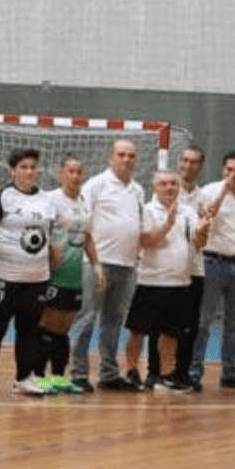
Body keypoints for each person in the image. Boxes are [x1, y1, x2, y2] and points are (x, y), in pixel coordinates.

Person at [0, 148, 55, 396]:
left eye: (32, 167)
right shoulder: (2, 197)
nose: (29, 172)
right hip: (2, 275)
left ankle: (24, 378)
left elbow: (49, 234)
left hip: (36, 277)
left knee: (29, 328)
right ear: (13, 170)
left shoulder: (47, 200)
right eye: (23, 167)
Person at [122, 169, 209, 389]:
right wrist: (168, 224)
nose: (169, 187)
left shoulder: (188, 211)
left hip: (180, 282)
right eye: (163, 184)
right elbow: (146, 241)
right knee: (138, 330)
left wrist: (203, 230)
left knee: (171, 333)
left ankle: (165, 375)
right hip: (151, 281)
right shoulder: (147, 210)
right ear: (155, 188)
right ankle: (131, 371)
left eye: (173, 183)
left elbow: (199, 244)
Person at [69, 139, 144, 391]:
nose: (126, 159)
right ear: (111, 156)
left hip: (126, 266)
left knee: (113, 322)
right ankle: (77, 373)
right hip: (97, 266)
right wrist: (95, 262)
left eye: (131, 155)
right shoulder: (96, 185)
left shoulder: (138, 190)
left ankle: (109, 374)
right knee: (86, 317)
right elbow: (82, 223)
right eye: (121, 154)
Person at [33, 155, 97, 392]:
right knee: (47, 325)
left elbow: (88, 238)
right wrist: (49, 248)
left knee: (64, 328)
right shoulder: (50, 200)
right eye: (70, 171)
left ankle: (58, 377)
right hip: (52, 275)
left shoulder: (83, 203)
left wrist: (97, 266)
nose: (75, 176)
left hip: (74, 275)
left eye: (79, 172)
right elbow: (37, 231)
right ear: (62, 172)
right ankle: (38, 376)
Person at [191, 150, 235, 389]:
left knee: (234, 322)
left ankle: (229, 371)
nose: (233, 175)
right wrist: (223, 193)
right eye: (229, 170)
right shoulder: (209, 192)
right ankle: (195, 368)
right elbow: (205, 217)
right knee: (204, 320)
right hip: (212, 263)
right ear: (223, 170)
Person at [152, 145, 205, 390]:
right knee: (158, 325)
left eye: (193, 162)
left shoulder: (204, 197)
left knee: (187, 326)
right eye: (184, 160)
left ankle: (181, 374)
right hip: (164, 271)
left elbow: (202, 236)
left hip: (193, 269)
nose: (187, 166)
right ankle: (155, 372)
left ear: (200, 167)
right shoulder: (163, 190)